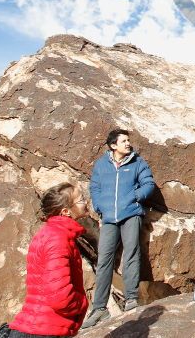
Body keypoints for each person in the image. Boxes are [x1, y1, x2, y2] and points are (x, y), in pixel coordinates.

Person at [81, 129, 155, 329]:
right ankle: (99, 308)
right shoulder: (101, 165)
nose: (128, 143)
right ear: (113, 145)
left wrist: (134, 197)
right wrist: (99, 205)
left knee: (131, 254)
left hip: (131, 214)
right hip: (109, 218)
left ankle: (131, 298)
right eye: (123, 141)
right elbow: (94, 187)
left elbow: (149, 184)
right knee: (104, 259)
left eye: (128, 140)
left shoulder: (137, 162)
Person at [8, 183, 89, 337]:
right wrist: (82, 304)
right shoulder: (58, 239)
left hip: (35, 327)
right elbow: (59, 296)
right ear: (66, 211)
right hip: (45, 330)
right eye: (81, 200)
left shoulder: (47, 233)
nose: (86, 202)